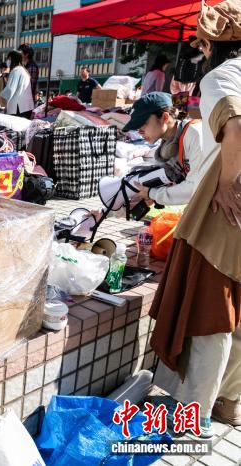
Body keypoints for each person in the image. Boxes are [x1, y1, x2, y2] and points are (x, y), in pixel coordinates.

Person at [149, 0, 241, 437]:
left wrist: (225, 184)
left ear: (213, 46)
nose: (200, 52)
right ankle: (229, 401)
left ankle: (193, 414)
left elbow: (235, 128)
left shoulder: (220, 76)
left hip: (229, 209)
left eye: (204, 45)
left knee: (212, 310)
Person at [120, 92, 212, 206]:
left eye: (143, 124)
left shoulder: (194, 134)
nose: (140, 132)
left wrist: (152, 193)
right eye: (137, 128)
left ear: (165, 117)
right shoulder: (168, 142)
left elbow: (196, 187)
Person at [0, 50, 34, 118]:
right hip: (26, 107)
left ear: (13, 59)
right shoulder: (24, 70)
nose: (8, 61)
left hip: (18, 107)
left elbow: (9, 90)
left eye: (9, 59)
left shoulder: (16, 71)